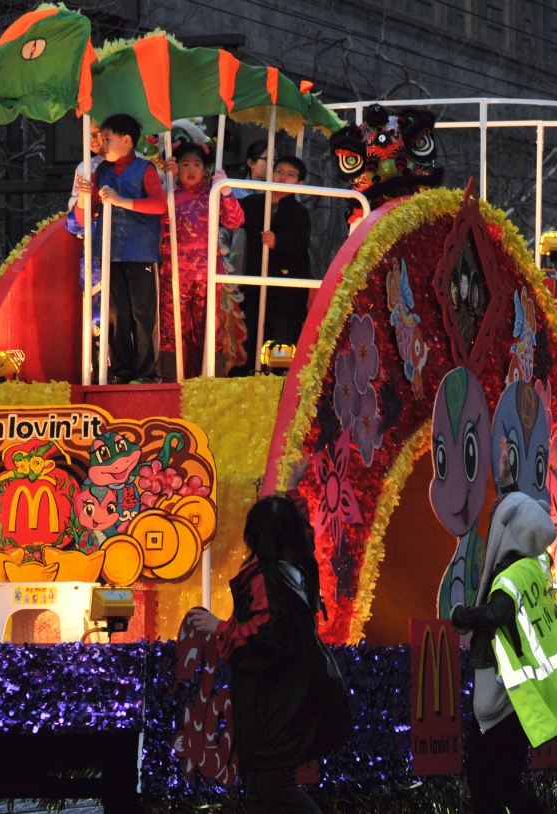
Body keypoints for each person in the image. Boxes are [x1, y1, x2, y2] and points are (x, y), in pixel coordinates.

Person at [187, 464, 351, 814]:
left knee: (274, 787)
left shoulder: (266, 579)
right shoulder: (302, 568)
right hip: (296, 692)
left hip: (275, 702)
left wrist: (219, 627)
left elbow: (263, 634)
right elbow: (301, 533)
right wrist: (293, 488)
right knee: (262, 793)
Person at [449, 438, 557, 814]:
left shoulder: (510, 576)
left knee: (492, 781)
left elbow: (496, 614)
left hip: (507, 693)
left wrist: (461, 616)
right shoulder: (534, 564)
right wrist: (507, 483)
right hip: (522, 693)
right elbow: (522, 519)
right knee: (498, 780)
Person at [71, 113, 166, 384]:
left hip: (141, 254)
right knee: (116, 316)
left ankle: (146, 374)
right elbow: (82, 219)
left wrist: (120, 201)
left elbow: (159, 205)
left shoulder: (144, 169)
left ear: (126, 141)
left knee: (143, 315)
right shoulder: (100, 171)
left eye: (107, 139)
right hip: (110, 253)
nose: (102, 143)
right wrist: (84, 196)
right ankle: (122, 372)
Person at [158, 142, 247, 379]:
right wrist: (163, 176)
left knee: (208, 329)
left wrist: (225, 190)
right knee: (172, 329)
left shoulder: (212, 195)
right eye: (185, 164)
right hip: (173, 275)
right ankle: (171, 382)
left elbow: (236, 221)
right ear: (176, 168)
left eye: (196, 164)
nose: (191, 169)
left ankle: (209, 380)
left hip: (207, 275)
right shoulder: (166, 194)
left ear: (204, 169)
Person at [234, 156, 312, 374]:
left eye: (290, 174)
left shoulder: (300, 212)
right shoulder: (253, 203)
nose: (283, 176)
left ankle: (279, 378)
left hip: (286, 290)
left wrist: (278, 241)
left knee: (283, 335)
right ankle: (246, 375)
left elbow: (300, 241)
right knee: (250, 331)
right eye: (279, 171)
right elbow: (232, 216)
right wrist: (223, 192)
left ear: (299, 184)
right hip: (253, 284)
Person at [66, 120, 108, 353]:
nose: (93, 139)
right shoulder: (85, 168)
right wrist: (83, 199)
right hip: (95, 257)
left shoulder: (138, 163)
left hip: (130, 253)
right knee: (97, 319)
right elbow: (74, 225)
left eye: (99, 133)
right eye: (88, 134)